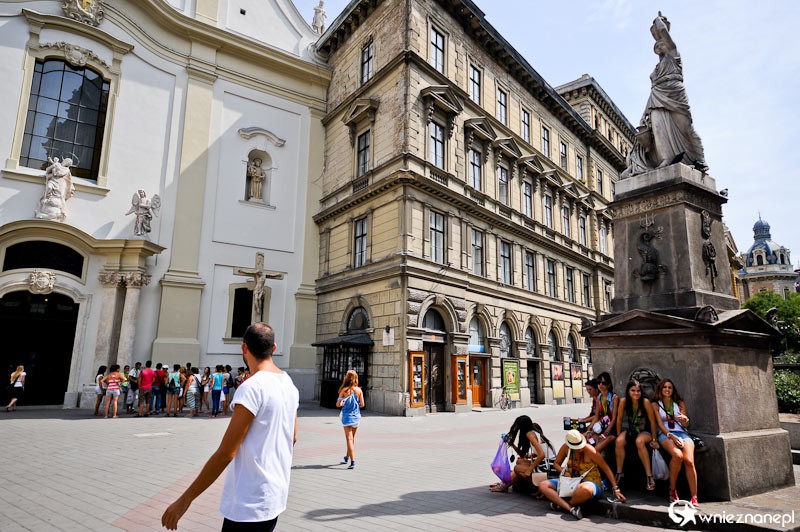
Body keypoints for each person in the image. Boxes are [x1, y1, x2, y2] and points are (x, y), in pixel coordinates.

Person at [162, 323, 299, 531]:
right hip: (275, 495)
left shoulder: (252, 388)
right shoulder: (288, 383)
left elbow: (226, 453)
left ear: (244, 348)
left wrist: (185, 500)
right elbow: (293, 437)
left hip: (249, 501)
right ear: (274, 348)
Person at [622, 12, 707, 178]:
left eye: (661, 44)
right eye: (656, 46)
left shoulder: (674, 56)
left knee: (686, 127)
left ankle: (700, 159)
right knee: (659, 129)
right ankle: (666, 158)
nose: (659, 46)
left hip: (675, 92)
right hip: (657, 96)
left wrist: (658, 23)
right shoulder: (655, 69)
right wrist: (644, 114)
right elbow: (652, 90)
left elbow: (664, 33)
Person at [537, 430, 626, 520]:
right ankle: (571, 509)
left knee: (584, 489)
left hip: (591, 483)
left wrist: (616, 489)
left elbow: (606, 469)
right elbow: (556, 464)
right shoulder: (565, 447)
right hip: (571, 482)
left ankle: (562, 505)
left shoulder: (590, 450)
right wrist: (564, 472)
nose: (579, 448)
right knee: (543, 485)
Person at [653, 378, 699, 506]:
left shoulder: (679, 403)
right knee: (677, 456)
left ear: (673, 390)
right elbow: (660, 424)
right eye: (665, 387)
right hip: (666, 435)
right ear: (660, 390)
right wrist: (671, 436)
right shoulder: (656, 404)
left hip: (683, 433)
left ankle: (694, 496)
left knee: (689, 461)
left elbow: (686, 424)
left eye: (670, 387)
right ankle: (672, 490)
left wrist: (685, 419)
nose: (667, 389)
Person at [489, 415, 553, 493]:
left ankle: (506, 485)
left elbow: (541, 454)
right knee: (520, 462)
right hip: (547, 463)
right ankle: (505, 483)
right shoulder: (533, 431)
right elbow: (522, 454)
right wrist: (512, 444)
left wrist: (530, 469)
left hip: (548, 466)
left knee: (517, 468)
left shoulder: (530, 434)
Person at [614, 379, 658, 490]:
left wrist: (654, 439)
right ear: (628, 391)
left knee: (639, 442)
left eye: (638, 391)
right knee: (619, 441)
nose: (636, 393)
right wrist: (619, 434)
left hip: (644, 431)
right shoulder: (624, 402)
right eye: (633, 390)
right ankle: (619, 473)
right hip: (630, 430)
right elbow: (619, 419)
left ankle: (649, 476)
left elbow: (653, 421)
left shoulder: (645, 402)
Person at [336, 370, 365, 469]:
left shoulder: (343, 390)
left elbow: (338, 404)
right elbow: (362, 405)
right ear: (356, 378)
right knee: (352, 439)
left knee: (349, 439)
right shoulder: (359, 390)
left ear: (346, 378)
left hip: (346, 417)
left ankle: (353, 461)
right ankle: (346, 457)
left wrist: (343, 402)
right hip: (356, 417)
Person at [586, 371, 618, 453]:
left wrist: (606, 433)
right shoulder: (599, 397)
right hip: (600, 427)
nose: (600, 385)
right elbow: (596, 416)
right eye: (598, 382)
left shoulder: (614, 398)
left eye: (603, 383)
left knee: (595, 450)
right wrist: (589, 430)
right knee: (585, 441)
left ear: (609, 385)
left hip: (611, 430)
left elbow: (614, 419)